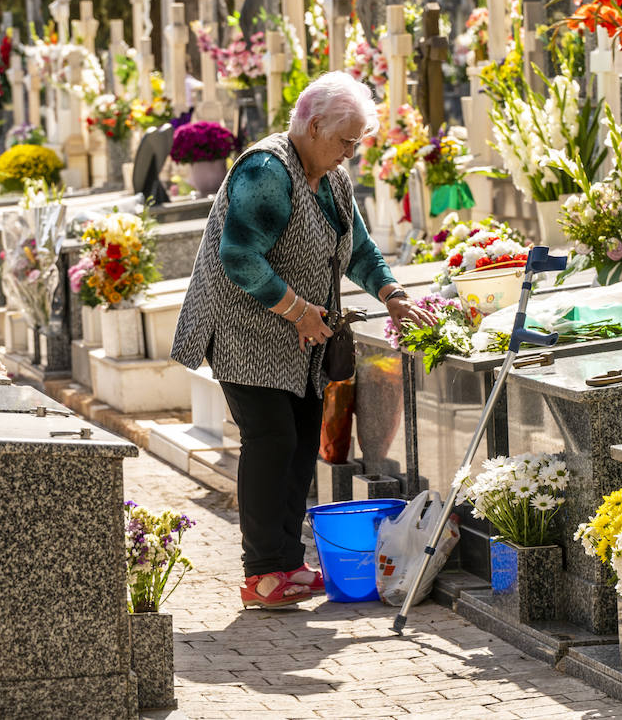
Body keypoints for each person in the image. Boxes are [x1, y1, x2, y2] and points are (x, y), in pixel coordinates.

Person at [171, 72, 437, 609]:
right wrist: (295, 309)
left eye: (356, 143)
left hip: (302, 338)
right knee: (271, 442)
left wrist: (391, 292)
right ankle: (262, 572)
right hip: (246, 330)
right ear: (314, 126)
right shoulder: (267, 170)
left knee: (298, 448)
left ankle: (289, 561)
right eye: (346, 141)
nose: (351, 154)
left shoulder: (330, 176)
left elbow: (357, 246)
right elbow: (239, 256)